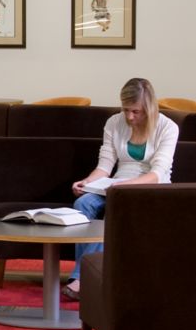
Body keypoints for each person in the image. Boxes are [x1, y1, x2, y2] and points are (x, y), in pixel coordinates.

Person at [63, 77, 177, 299]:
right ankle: (87, 275)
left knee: (114, 206)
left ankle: (82, 279)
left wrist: (122, 185)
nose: (129, 117)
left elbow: (157, 174)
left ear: (149, 107)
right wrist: (87, 182)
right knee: (82, 203)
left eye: (136, 112)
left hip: (151, 189)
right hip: (116, 185)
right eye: (126, 110)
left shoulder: (168, 128)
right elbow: (105, 167)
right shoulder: (114, 123)